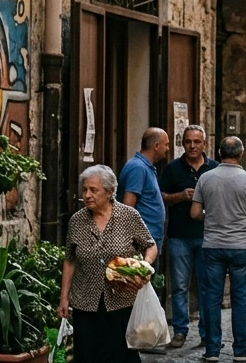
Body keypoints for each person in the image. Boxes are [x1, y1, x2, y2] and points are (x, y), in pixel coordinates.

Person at [58, 164, 158, 363]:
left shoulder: (129, 216)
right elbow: (70, 260)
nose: (87, 195)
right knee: (87, 356)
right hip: (85, 301)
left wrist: (143, 267)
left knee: (121, 355)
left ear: (110, 192)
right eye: (85, 190)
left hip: (122, 300)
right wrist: (64, 298)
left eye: (93, 190)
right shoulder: (77, 221)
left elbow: (150, 245)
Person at [191, 137, 246, 362]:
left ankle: (212, 350)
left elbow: (194, 213)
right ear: (241, 154)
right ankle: (241, 349)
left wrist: (212, 217)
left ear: (218, 152)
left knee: (211, 297)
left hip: (212, 245)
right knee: (241, 299)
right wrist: (242, 219)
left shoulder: (205, 178)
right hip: (240, 246)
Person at [159, 125, 216, 350]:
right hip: (179, 235)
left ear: (204, 144)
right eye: (188, 141)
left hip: (207, 236)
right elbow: (162, 196)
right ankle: (180, 331)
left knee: (206, 286)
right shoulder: (172, 168)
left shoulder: (214, 169)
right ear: (182, 143)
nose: (192, 146)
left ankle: (206, 333)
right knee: (179, 286)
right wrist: (181, 196)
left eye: (197, 142)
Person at [120, 128, 169, 256]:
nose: (168, 149)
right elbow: (128, 206)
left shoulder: (145, 167)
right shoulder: (138, 168)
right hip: (142, 241)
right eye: (166, 145)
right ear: (156, 146)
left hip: (149, 239)